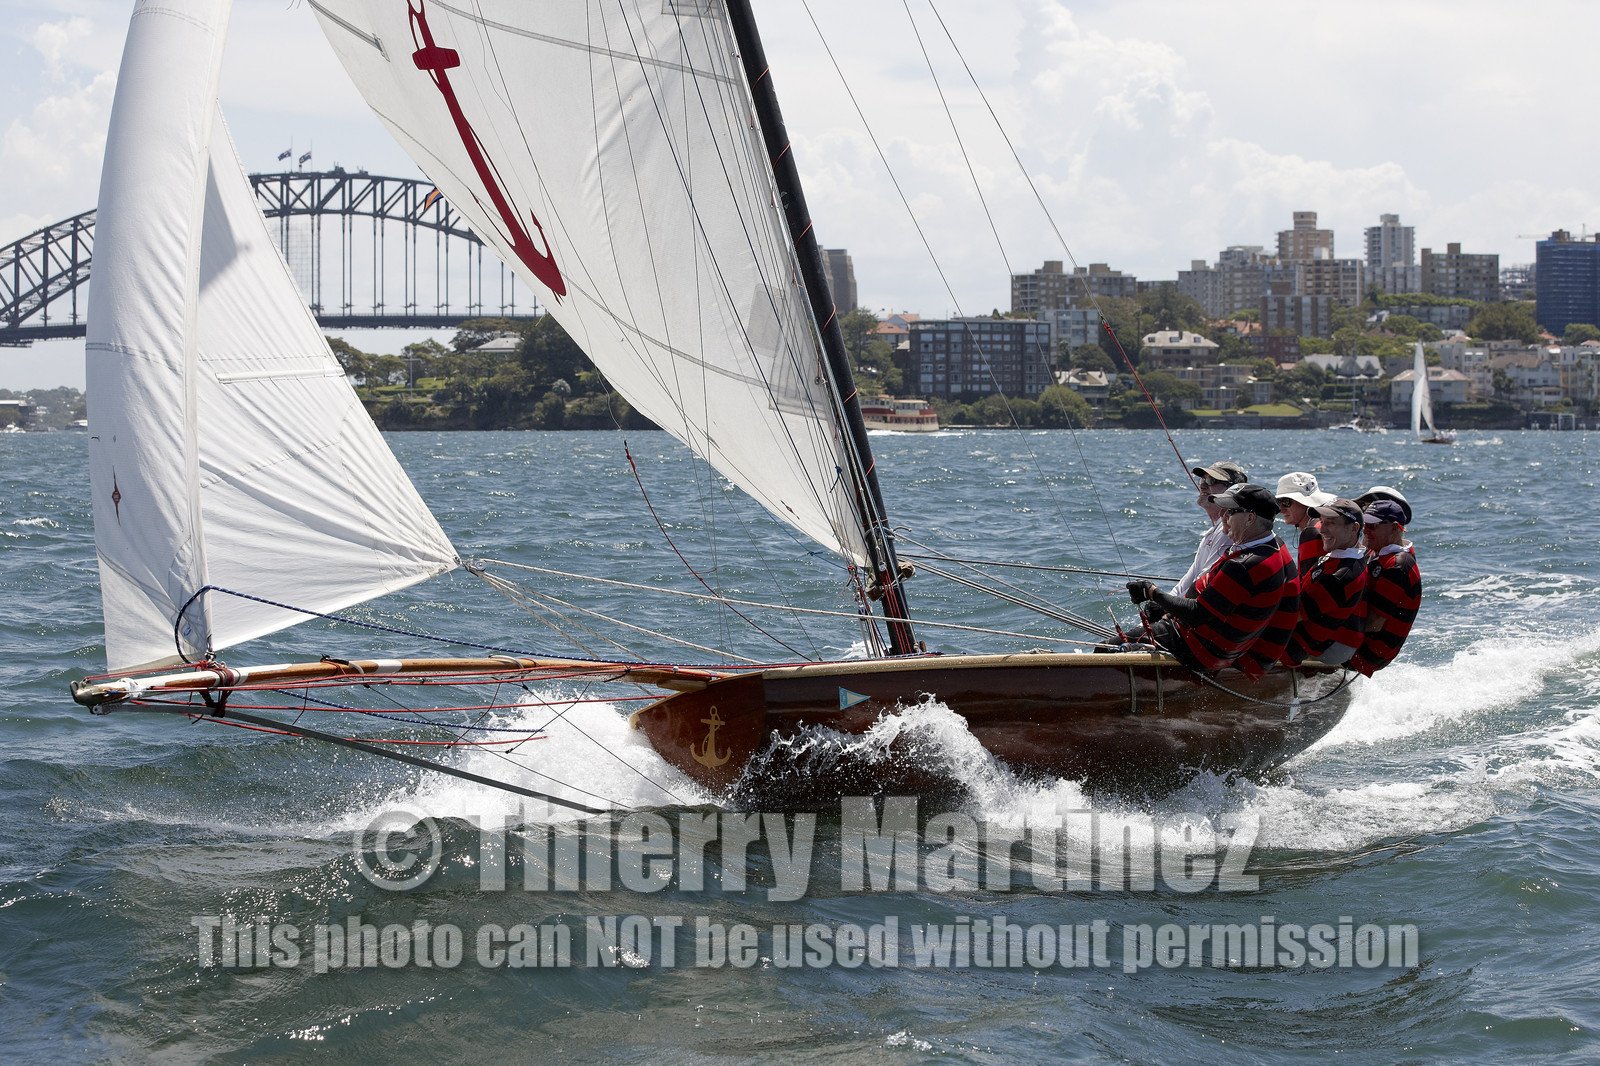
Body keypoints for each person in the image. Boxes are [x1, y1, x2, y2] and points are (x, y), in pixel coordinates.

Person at [1128, 483, 1299, 677]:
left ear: (1250, 518)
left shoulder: (1244, 565)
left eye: (1231, 512)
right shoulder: (1273, 546)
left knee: (1111, 646)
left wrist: (1151, 592)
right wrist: (1167, 609)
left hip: (1202, 650)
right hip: (1223, 646)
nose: (1223, 516)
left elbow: (1197, 614)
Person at [1284, 498, 1368, 666]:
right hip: (1333, 638)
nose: (1321, 530)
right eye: (1322, 522)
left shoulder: (1341, 575)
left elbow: (1293, 616)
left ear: (1354, 528)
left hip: (1326, 647)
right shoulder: (1342, 553)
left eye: (1330, 524)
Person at [1349, 499, 1421, 676]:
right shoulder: (1378, 553)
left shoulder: (1397, 566)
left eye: (1373, 527)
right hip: (1362, 643)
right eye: (1365, 525)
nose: (1365, 531)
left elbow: (1374, 624)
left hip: (1368, 653)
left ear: (1396, 528)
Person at [1171, 461, 1249, 597]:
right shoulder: (1213, 531)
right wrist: (1164, 600)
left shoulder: (1228, 533)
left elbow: (1202, 583)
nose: (1202, 485)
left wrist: (1167, 606)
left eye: (1211, 480)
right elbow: (1189, 578)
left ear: (1232, 490)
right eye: (1202, 479)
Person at [1275, 472, 1335, 572]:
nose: (1281, 509)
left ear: (1305, 502)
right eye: (1279, 503)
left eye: (1286, 502)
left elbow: (1308, 581)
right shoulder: (1322, 524)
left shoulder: (1312, 533)